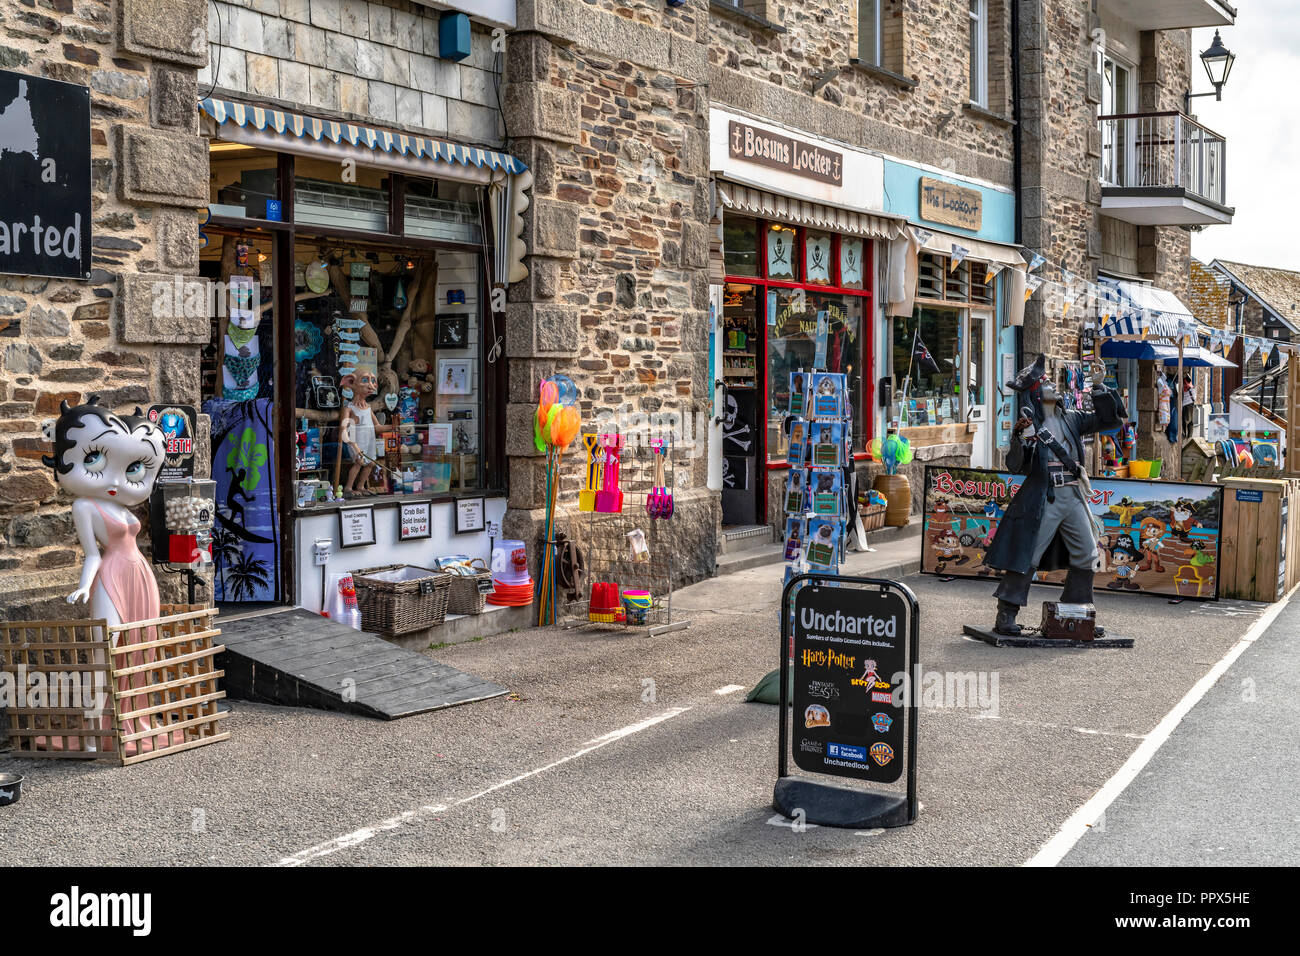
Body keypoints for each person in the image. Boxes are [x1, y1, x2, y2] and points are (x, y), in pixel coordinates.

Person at [983, 355, 1128, 636]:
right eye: (1046, 382)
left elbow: (1110, 422)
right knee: (1028, 556)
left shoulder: (1072, 418)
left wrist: (1100, 388)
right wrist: (1021, 440)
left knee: (1087, 554)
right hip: (1044, 497)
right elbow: (1015, 465)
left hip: (1072, 495)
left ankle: (1078, 613)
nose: (1053, 385)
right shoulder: (1029, 423)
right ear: (1037, 392)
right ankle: (1006, 615)